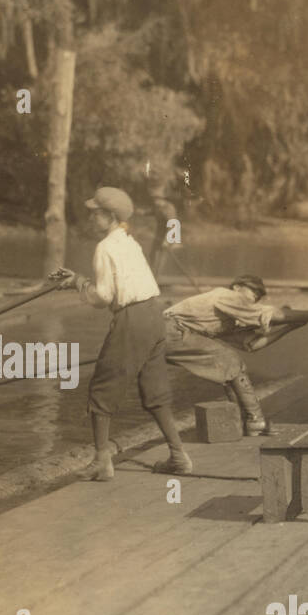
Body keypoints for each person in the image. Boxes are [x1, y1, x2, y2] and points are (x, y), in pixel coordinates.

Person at [52, 186, 192, 480]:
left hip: (132, 321)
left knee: (101, 390)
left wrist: (78, 284)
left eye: (95, 214)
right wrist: (80, 279)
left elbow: (103, 297)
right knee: (155, 393)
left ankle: (102, 462)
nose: (90, 219)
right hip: (154, 316)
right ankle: (179, 456)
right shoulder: (131, 243)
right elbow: (120, 285)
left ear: (110, 216)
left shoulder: (104, 247)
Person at [162, 275, 308, 435]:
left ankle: (243, 422)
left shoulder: (226, 318)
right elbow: (267, 314)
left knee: (229, 367)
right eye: (253, 291)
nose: (255, 297)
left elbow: (251, 344)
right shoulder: (227, 295)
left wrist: (291, 325)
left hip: (171, 334)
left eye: (259, 296)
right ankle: (255, 420)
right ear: (237, 287)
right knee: (230, 361)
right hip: (169, 330)